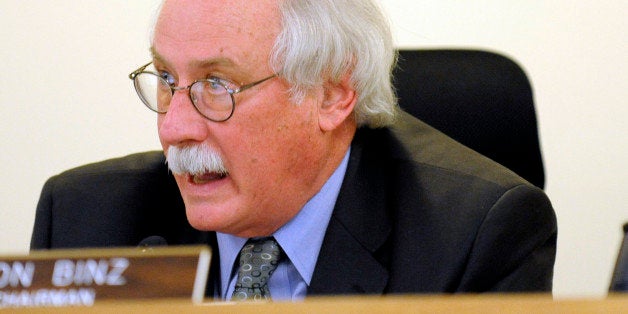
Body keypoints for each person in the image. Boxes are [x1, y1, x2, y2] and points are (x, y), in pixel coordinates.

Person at [30, 0, 557, 301]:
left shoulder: (474, 239)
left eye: (218, 84)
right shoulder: (84, 221)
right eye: (167, 78)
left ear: (331, 94)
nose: (174, 127)